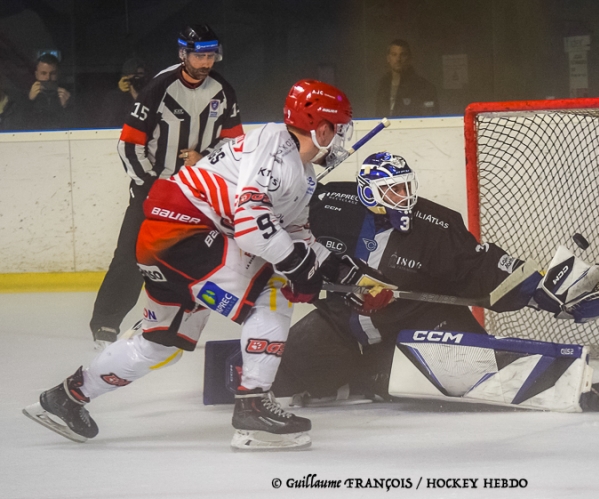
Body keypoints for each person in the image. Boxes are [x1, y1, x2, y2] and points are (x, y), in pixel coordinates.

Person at [23, 79, 395, 451]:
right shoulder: (273, 145)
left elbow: (296, 235)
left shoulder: (301, 173)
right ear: (322, 127)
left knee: (159, 344)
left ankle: (66, 398)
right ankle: (252, 408)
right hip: (185, 234)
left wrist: (349, 274)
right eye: (340, 128)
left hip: (166, 242)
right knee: (272, 293)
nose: (342, 138)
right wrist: (299, 270)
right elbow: (252, 231)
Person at [269, 152, 599, 405]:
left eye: (406, 187)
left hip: (415, 322)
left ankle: (372, 377)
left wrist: (540, 292)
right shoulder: (327, 203)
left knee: (474, 367)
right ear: (367, 193)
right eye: (393, 191)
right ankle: (363, 377)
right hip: (338, 326)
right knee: (279, 377)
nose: (404, 198)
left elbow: (479, 265)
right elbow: (273, 225)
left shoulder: (436, 225)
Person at [90, 25, 243, 347]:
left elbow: (234, 145)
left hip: (197, 197)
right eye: (199, 55)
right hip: (153, 193)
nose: (205, 62)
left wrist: (205, 159)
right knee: (131, 257)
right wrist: (151, 188)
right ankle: (105, 323)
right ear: (182, 54)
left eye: (210, 55)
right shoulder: (159, 87)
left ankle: (171, 321)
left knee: (191, 261)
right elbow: (130, 145)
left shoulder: (223, 91)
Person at [375, 39, 438, 117]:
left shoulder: (423, 87)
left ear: (409, 58)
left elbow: (430, 119)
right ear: (388, 58)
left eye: (403, 55)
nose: (398, 59)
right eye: (394, 54)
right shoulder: (381, 85)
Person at [24, 53, 73, 129]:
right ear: (36, 75)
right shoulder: (24, 97)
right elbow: (20, 126)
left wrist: (66, 107)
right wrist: (29, 101)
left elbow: (76, 127)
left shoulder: (69, 96)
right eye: (43, 73)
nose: (48, 78)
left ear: (59, 74)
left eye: (52, 73)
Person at [98, 58, 149, 128]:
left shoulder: (150, 96)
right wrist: (119, 93)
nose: (137, 78)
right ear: (125, 77)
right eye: (133, 74)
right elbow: (107, 123)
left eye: (140, 74)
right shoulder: (114, 98)